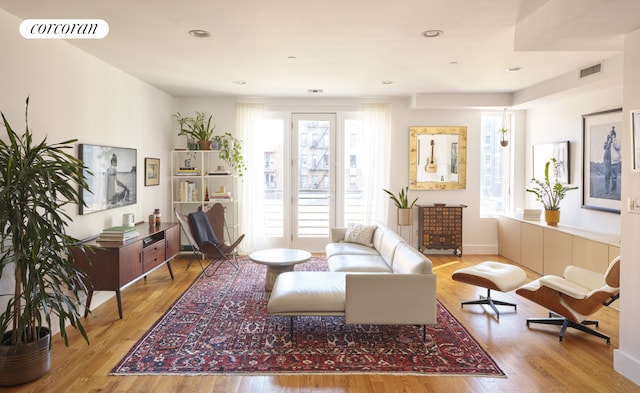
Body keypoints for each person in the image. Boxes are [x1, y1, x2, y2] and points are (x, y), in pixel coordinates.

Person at [603, 127, 621, 194]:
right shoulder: (608, 142)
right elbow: (604, 147)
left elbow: (617, 147)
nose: (610, 135)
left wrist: (613, 140)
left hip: (614, 162)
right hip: (607, 161)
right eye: (609, 134)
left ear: (614, 135)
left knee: (614, 178)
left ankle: (613, 192)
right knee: (606, 177)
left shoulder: (616, 141)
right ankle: (606, 191)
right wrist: (608, 141)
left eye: (611, 134)